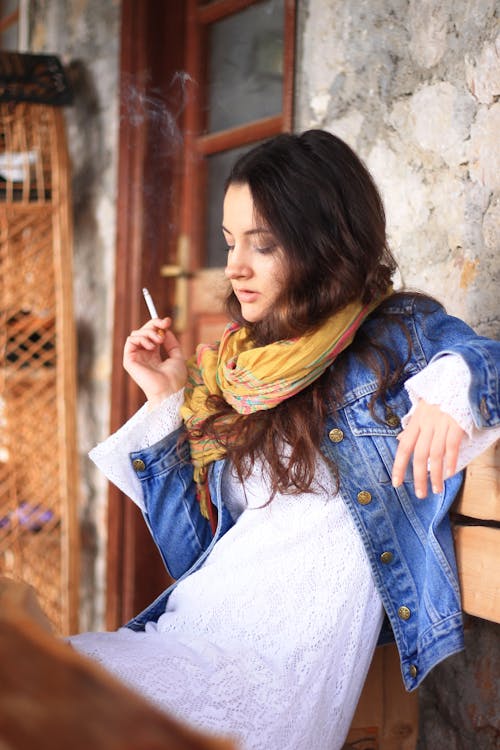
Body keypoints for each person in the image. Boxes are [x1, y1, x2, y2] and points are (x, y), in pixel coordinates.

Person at [70, 130, 500, 750]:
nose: (235, 267)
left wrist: (453, 388)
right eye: (228, 243)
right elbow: (194, 560)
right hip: (196, 631)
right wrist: (166, 401)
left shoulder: (393, 335)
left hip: (278, 663)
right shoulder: (242, 366)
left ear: (325, 243)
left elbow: (484, 358)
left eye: (262, 244)